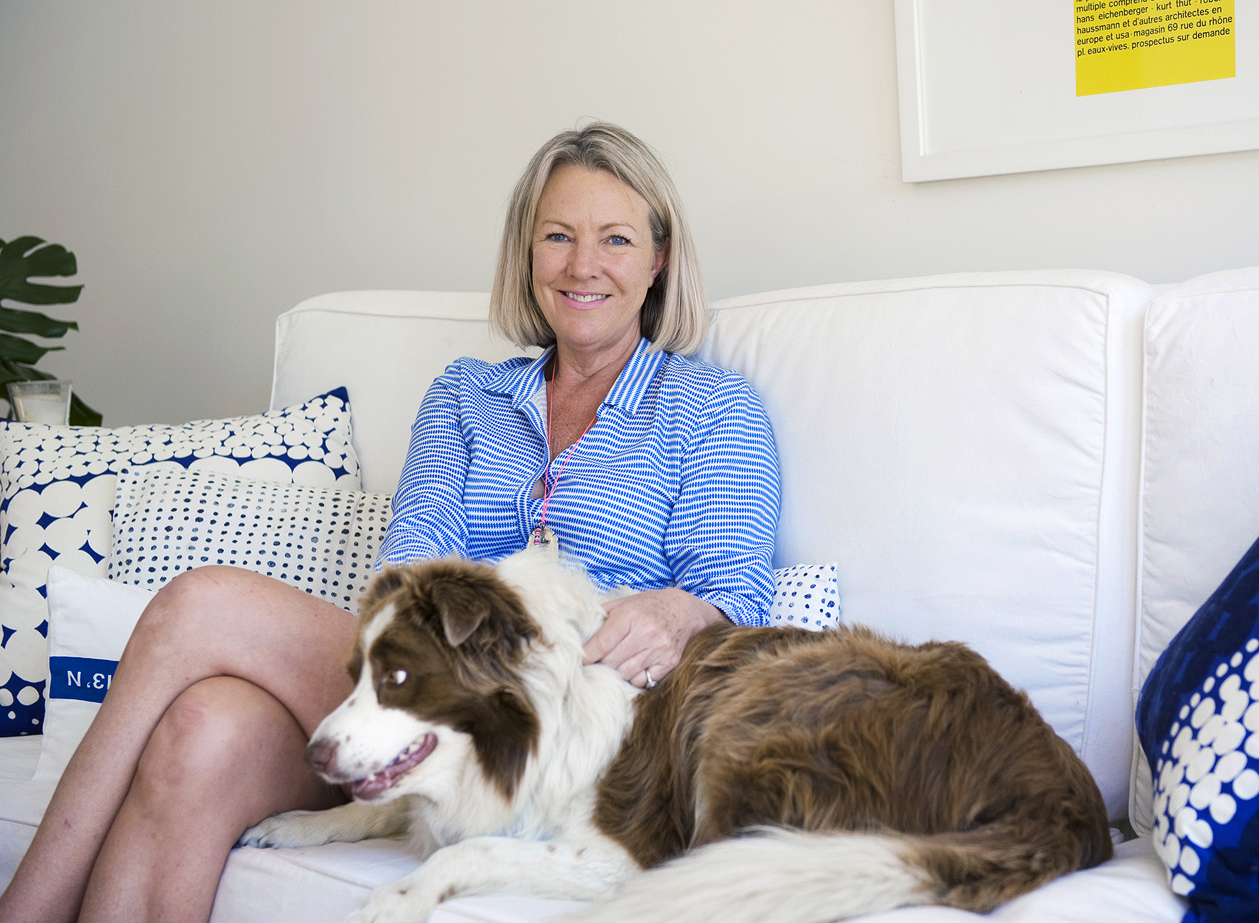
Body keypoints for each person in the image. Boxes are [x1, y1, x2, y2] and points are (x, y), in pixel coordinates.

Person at [0, 121, 780, 923]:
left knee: (197, 606)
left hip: (563, 734)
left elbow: (742, 600)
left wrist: (679, 608)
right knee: (201, 729)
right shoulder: (466, 396)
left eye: (615, 239)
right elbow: (406, 574)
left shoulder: (710, 409)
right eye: (558, 236)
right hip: (416, 698)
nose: (583, 265)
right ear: (527, 254)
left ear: (657, 259)